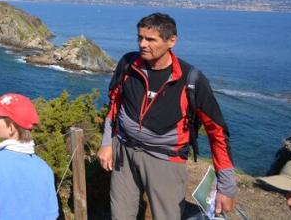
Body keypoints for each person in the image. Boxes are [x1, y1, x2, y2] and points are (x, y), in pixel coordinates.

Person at [97, 13, 237, 219]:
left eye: (150, 39)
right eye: (140, 37)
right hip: (124, 151)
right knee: (120, 214)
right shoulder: (128, 64)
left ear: (172, 41)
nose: (142, 44)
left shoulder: (192, 79)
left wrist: (227, 186)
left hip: (165, 159)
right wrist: (107, 142)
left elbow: (217, 132)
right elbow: (115, 103)